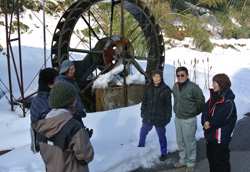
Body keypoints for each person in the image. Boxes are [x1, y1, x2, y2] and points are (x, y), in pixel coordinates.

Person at [32, 82, 94, 172]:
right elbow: (86, 157)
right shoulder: (73, 127)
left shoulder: (42, 127)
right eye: (74, 98)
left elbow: (50, 154)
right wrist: (84, 138)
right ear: (70, 102)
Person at [201, 73, 237, 172]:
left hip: (220, 139)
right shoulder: (214, 97)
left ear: (222, 84)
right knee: (212, 162)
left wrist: (209, 124)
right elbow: (206, 109)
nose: (213, 85)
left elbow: (220, 119)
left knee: (221, 164)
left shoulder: (228, 102)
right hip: (211, 137)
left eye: (215, 82)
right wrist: (204, 121)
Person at [172, 66, 205, 172]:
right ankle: (183, 160)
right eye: (178, 75)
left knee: (189, 141)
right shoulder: (175, 86)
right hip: (178, 118)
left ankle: (190, 162)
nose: (180, 77)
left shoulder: (193, 87)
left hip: (189, 119)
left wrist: (193, 112)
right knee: (180, 141)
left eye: (182, 75)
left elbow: (201, 102)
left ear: (187, 75)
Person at [138, 69, 172, 161]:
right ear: (152, 78)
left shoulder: (166, 90)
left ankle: (164, 153)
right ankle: (141, 145)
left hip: (160, 117)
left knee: (161, 136)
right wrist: (142, 111)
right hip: (149, 115)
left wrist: (168, 117)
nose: (156, 79)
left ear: (161, 78)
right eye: (154, 76)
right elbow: (144, 101)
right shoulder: (148, 89)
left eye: (158, 76)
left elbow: (168, 105)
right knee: (143, 131)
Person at [30, 68, 59, 153]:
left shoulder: (36, 100)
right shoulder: (49, 105)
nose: (60, 83)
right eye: (57, 80)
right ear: (50, 84)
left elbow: (34, 126)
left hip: (44, 146)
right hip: (53, 147)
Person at [58, 59, 86, 124]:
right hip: (71, 117)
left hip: (77, 115)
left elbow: (77, 97)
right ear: (65, 70)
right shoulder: (63, 83)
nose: (73, 71)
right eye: (71, 69)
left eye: (73, 69)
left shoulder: (71, 80)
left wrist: (82, 108)